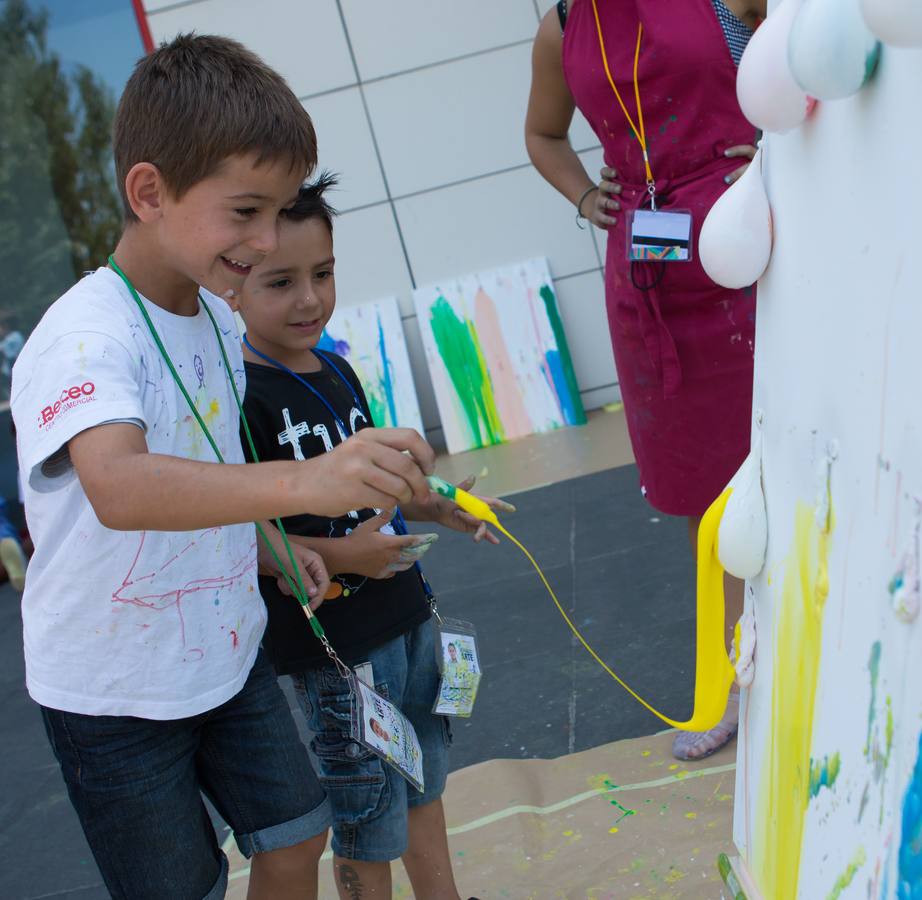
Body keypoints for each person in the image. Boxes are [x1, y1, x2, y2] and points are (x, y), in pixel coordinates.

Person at [10, 36, 436, 900]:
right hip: (114, 690)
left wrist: (270, 545)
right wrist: (307, 484)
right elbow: (122, 485)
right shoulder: (84, 335)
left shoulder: (211, 313)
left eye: (279, 212)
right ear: (149, 192)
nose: (266, 240)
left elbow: (212, 459)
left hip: (223, 651)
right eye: (246, 212)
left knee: (296, 834)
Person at [236, 175, 502, 900]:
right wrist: (349, 557)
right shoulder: (242, 399)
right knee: (367, 810)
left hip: (407, 615)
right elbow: (248, 535)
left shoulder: (337, 367)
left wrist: (444, 507)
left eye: (322, 274)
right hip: (337, 650)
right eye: (280, 282)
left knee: (423, 779)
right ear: (233, 286)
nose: (309, 299)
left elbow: (380, 481)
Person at [525, 0, 766, 760]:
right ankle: (727, 683)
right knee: (709, 497)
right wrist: (586, 196)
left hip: (758, 239)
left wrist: (774, 155)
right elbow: (541, 133)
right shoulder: (563, 23)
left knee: (802, 452)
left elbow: (809, 76)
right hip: (652, 272)